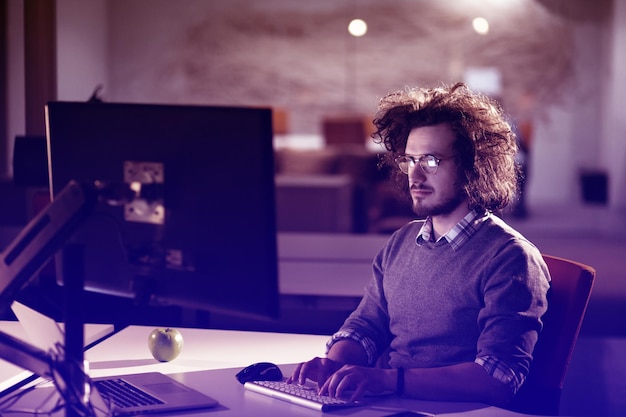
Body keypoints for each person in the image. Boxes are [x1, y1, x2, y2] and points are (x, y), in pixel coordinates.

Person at [289, 83, 550, 407]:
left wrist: (387, 380)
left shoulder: (511, 259)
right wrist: (336, 363)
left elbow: (497, 378)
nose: (415, 175)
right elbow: (367, 325)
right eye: (410, 160)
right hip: (388, 402)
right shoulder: (401, 242)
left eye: (430, 160)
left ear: (474, 165)